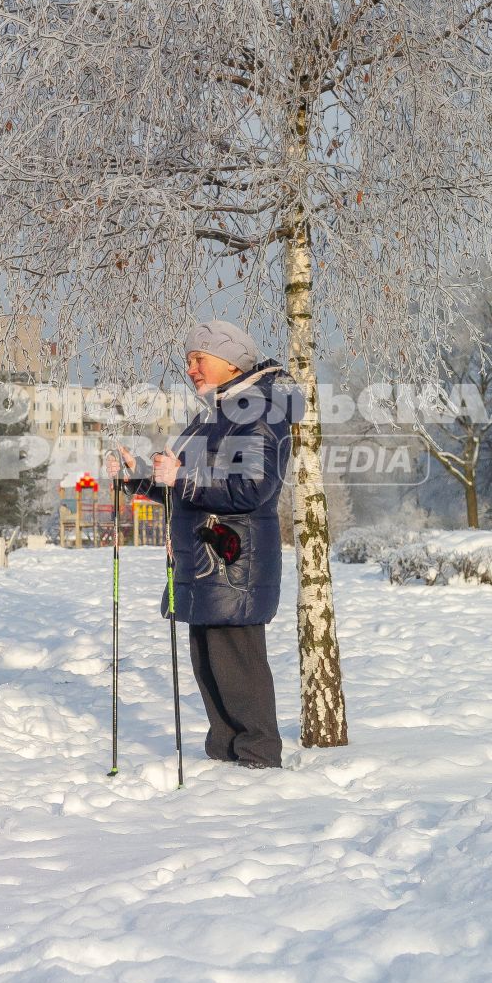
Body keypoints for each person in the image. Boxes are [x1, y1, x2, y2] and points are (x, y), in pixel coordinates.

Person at [109, 320, 295, 770]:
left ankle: (257, 757)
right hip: (203, 559)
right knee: (209, 666)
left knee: (237, 667)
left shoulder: (259, 408)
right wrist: (141, 481)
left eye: (200, 358)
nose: (190, 368)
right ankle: (224, 755)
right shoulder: (214, 413)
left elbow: (253, 487)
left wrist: (182, 478)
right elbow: (184, 487)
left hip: (234, 561)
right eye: (188, 359)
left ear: (231, 362)